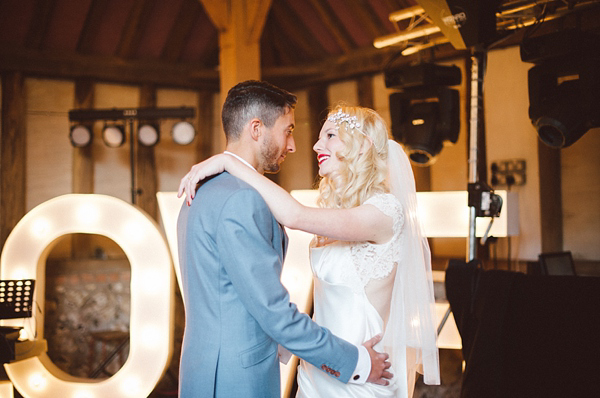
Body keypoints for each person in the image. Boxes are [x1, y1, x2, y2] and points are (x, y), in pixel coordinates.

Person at [179, 104, 441, 397]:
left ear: (363, 145)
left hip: (366, 370)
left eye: (329, 135)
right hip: (320, 371)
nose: (316, 145)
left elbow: (294, 216)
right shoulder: (335, 210)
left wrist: (229, 163)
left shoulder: (385, 211)